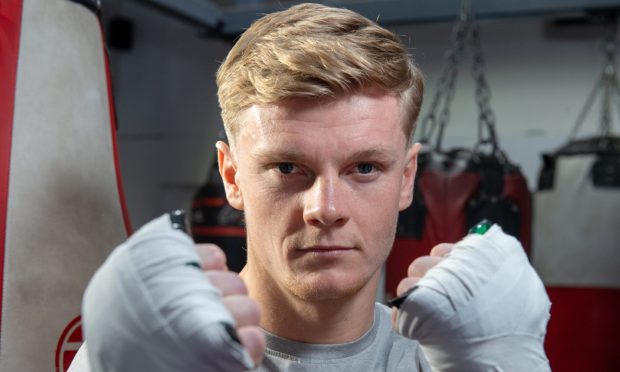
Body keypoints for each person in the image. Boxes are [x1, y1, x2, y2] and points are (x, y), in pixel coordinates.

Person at [71, 3, 551, 371]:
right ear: (232, 176)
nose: (326, 209)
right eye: (287, 168)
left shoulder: (458, 357)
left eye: (364, 168)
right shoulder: (150, 349)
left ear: (406, 178)